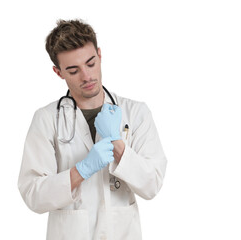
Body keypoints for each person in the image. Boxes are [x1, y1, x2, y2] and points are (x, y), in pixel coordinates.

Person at [18, 19, 167, 240]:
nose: (87, 76)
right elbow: (33, 195)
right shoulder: (47, 119)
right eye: (73, 70)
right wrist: (81, 171)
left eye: (90, 63)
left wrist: (116, 143)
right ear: (58, 72)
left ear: (99, 54)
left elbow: (152, 185)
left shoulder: (136, 113)